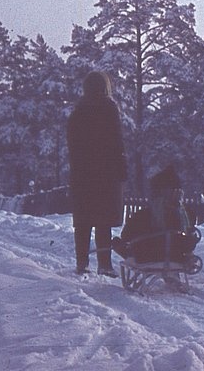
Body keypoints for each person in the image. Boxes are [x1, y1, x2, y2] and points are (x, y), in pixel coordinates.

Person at [67, 71, 127, 277]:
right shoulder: (109, 109)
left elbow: (72, 145)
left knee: (83, 221)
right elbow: (116, 141)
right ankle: (105, 264)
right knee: (103, 222)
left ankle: (82, 263)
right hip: (106, 173)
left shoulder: (78, 112)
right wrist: (121, 170)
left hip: (82, 174)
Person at [113, 164, 199, 264]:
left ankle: (131, 258)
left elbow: (126, 237)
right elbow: (190, 241)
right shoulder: (188, 215)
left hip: (145, 258)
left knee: (116, 242)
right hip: (177, 257)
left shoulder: (143, 215)